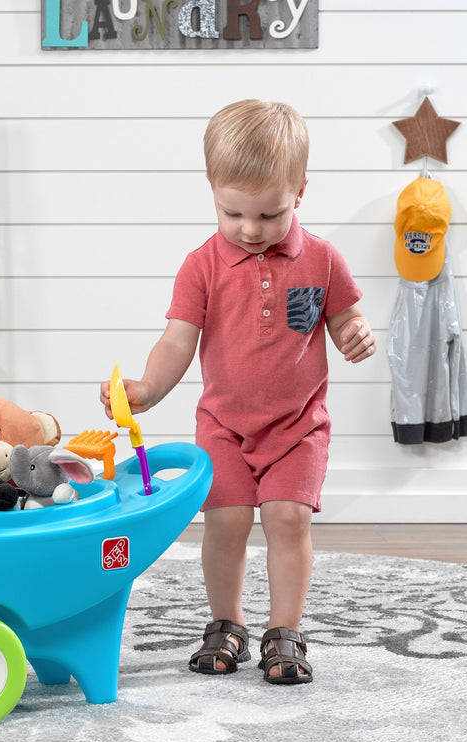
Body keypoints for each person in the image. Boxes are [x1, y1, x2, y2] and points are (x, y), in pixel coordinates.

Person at [100, 100, 375, 684]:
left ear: (300, 191)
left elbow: (345, 316)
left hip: (297, 425)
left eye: (269, 215)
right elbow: (177, 340)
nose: (250, 230)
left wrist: (353, 334)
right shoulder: (201, 266)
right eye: (233, 213)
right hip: (224, 425)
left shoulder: (322, 259)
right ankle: (226, 623)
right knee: (225, 523)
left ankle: (285, 632)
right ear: (212, 190)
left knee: (287, 517)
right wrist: (149, 387)